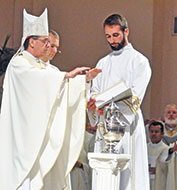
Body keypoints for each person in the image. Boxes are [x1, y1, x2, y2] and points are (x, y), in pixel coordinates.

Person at [0, 9, 101, 190]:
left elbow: (61, 91)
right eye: (45, 42)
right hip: (25, 139)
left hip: (42, 136)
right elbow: (38, 81)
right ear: (31, 42)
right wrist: (67, 76)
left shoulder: (48, 70)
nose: (49, 47)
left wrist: (82, 81)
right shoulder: (19, 64)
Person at [87, 13, 151, 190]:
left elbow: (136, 96)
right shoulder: (102, 63)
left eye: (116, 35)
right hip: (104, 125)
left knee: (128, 176)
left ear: (126, 31)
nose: (112, 40)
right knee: (104, 175)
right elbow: (95, 92)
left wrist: (109, 105)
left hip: (126, 125)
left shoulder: (139, 61)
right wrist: (94, 104)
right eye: (108, 36)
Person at [147, 120, 168, 190]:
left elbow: (169, 169)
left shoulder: (166, 149)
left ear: (162, 133)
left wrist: (157, 169)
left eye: (156, 132)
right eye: (151, 131)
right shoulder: (144, 148)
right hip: (146, 182)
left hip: (160, 184)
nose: (153, 134)